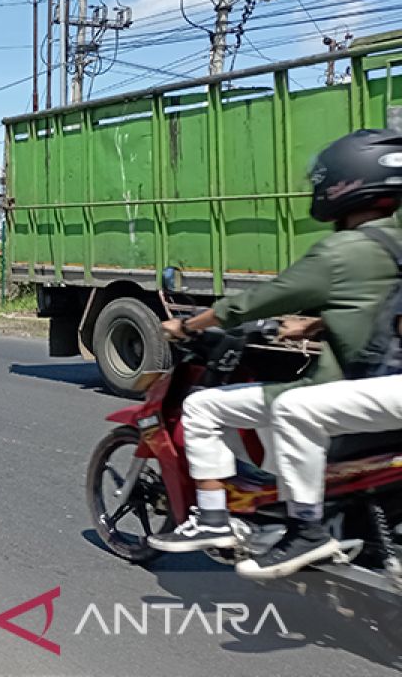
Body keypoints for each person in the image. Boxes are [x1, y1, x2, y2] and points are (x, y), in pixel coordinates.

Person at [148, 129, 402, 578]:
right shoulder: (393, 243)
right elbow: (379, 305)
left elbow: (257, 301)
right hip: (382, 379)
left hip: (348, 386)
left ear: (342, 183)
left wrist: (188, 324)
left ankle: (213, 521)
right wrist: (318, 323)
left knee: (203, 407)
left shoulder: (342, 251)